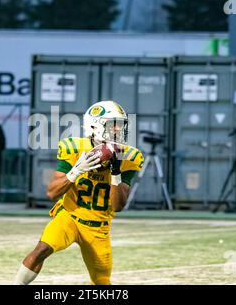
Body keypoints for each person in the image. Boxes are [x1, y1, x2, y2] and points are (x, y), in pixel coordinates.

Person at [13, 100, 144, 285]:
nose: (118, 130)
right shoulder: (74, 148)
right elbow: (52, 193)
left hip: (98, 226)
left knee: (102, 281)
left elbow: (118, 205)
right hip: (70, 216)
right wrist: (75, 171)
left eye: (120, 124)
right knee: (42, 249)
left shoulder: (129, 157)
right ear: (94, 126)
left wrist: (116, 173)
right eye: (112, 124)